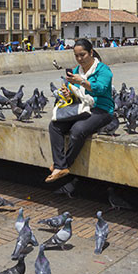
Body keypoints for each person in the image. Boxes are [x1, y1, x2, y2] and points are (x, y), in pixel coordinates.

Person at [46, 39, 114, 183]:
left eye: (82, 55)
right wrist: (67, 93)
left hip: (102, 109)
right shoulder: (76, 71)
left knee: (78, 130)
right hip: (81, 108)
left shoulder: (103, 69)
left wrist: (82, 81)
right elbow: (75, 94)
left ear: (90, 52)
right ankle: (60, 166)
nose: (79, 59)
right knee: (54, 126)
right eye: (76, 56)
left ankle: (63, 165)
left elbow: (101, 88)